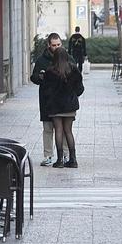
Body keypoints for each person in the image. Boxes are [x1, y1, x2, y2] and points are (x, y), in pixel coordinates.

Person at [44, 47, 84, 167]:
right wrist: (73, 95)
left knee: (58, 130)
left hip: (55, 106)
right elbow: (80, 89)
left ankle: (60, 160)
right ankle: (73, 159)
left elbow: (46, 90)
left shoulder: (50, 71)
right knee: (68, 131)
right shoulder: (73, 69)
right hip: (70, 105)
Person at [29, 33, 63, 166]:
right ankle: (48, 155)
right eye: (54, 45)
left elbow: (75, 77)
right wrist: (40, 77)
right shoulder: (41, 60)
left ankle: (65, 155)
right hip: (47, 100)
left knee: (64, 130)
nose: (56, 47)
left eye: (58, 44)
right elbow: (33, 77)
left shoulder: (67, 59)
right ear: (49, 45)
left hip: (63, 101)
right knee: (48, 128)